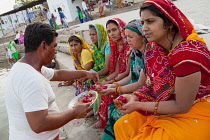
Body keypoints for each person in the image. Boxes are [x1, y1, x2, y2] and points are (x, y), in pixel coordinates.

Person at [114, 0, 210, 139]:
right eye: (143, 23)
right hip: (168, 104)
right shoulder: (153, 49)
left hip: (197, 106)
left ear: (169, 22)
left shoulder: (187, 55)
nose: (144, 28)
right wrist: (135, 97)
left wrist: (138, 105)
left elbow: (182, 106)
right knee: (123, 125)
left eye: (150, 21)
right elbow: (152, 84)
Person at [5, 22, 99, 140]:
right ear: (44, 46)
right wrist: (74, 113)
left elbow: (57, 73)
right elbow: (39, 124)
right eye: (54, 46)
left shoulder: (26, 66)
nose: (55, 51)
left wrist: (86, 73)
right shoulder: (31, 79)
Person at [101, 19, 147, 140]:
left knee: (117, 112)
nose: (127, 40)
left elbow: (140, 83)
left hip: (143, 90)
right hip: (134, 85)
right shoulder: (134, 53)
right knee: (112, 106)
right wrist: (113, 85)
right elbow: (131, 76)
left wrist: (116, 89)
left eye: (131, 37)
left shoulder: (149, 55)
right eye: (126, 36)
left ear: (142, 36)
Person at [96, 18, 131, 128]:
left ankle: (109, 124)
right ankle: (104, 121)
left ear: (121, 29)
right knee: (103, 88)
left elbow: (126, 72)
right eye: (109, 31)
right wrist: (104, 81)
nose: (111, 34)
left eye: (114, 30)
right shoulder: (115, 46)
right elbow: (116, 70)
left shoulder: (129, 46)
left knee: (109, 92)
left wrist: (112, 82)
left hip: (128, 78)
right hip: (119, 77)